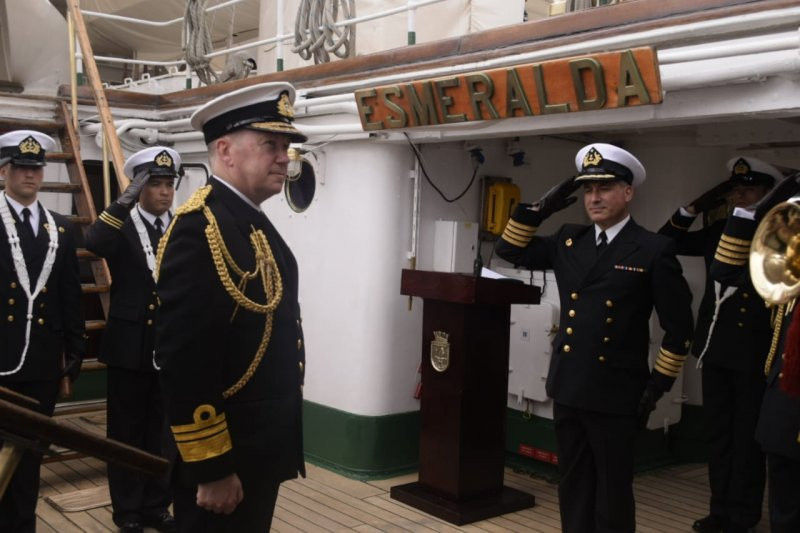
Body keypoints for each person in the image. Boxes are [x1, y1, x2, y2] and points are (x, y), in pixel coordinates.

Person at [495, 143, 694, 533]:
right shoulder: (570, 240)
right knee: (573, 485)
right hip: (569, 386)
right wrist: (537, 212)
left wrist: (657, 387)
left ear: (627, 192)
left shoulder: (653, 249)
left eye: (604, 188)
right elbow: (508, 252)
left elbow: (680, 327)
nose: (594, 198)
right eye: (588, 190)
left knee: (612, 492)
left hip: (618, 394)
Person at [154, 82, 307, 532]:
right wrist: (212, 467)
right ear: (225, 150)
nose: (284, 156)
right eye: (270, 144)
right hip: (225, 456)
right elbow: (185, 361)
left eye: (286, 146)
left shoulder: (247, 220)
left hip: (256, 449)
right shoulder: (199, 230)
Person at [658, 156, 781, 533]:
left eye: (749, 190)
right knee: (719, 435)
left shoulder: (779, 237)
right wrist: (694, 207)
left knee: (747, 440)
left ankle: (742, 514)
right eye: (734, 192)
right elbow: (666, 242)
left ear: (766, 196)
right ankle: (720, 511)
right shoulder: (721, 231)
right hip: (715, 349)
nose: (739, 197)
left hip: (755, 353)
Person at [85, 146, 182, 533]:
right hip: (129, 348)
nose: (164, 192)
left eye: (168, 184)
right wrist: (123, 201)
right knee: (125, 434)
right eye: (154, 184)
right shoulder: (121, 225)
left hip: (169, 349)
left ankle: (156, 507)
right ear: (139, 188)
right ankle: (126, 511)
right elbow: (94, 242)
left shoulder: (183, 226)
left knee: (162, 434)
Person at [0, 130, 85, 532]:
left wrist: (76, 345)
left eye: (36, 168)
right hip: (1, 359)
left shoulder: (62, 229)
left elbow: (70, 292)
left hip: (41, 363)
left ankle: (22, 525)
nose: (31, 176)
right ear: (5, 171)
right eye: (22, 168)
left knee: (30, 453)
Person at [710, 172, 800, 533]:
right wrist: (755, 212)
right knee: (786, 510)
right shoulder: (789, 281)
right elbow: (725, 270)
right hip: (786, 408)